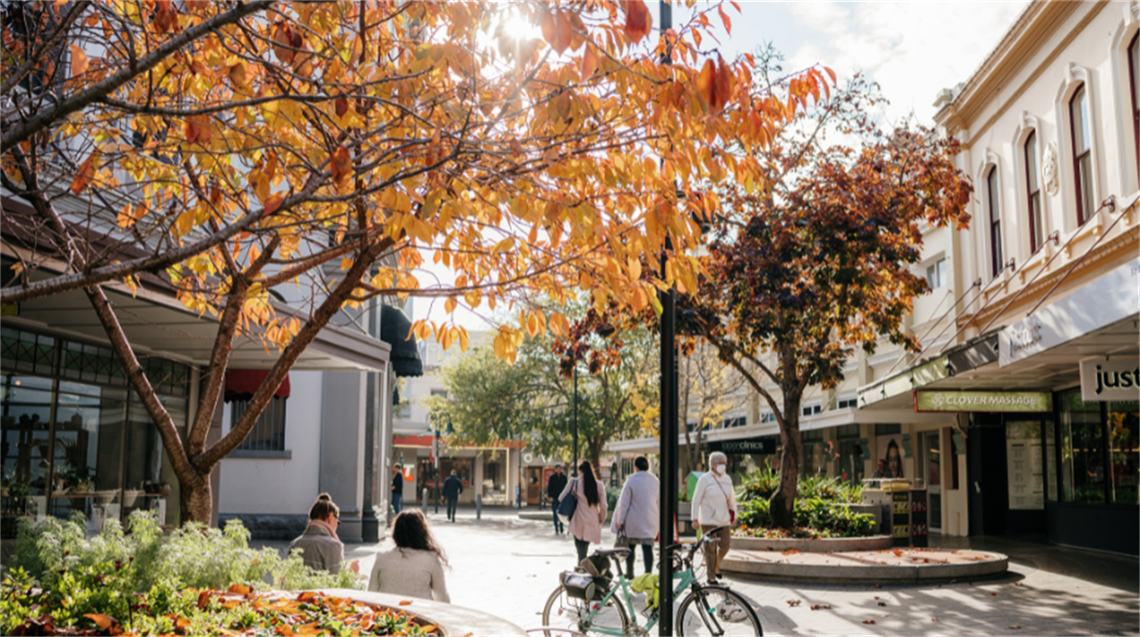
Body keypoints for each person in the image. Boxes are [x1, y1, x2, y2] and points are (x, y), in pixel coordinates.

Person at [368, 510, 450, 602]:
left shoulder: (381, 559)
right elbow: (443, 599)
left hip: (388, 614)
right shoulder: (431, 560)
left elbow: (371, 595)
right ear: (422, 532)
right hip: (419, 614)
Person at [690, 452, 737, 584]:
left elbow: (732, 499)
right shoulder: (704, 479)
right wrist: (695, 519)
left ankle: (717, 566)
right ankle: (711, 577)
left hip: (724, 520)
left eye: (724, 463)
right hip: (708, 520)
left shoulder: (727, 479)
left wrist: (735, 515)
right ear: (712, 465)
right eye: (720, 463)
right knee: (710, 549)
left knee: (726, 545)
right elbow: (696, 499)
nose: (723, 466)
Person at [288, 493, 360, 575]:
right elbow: (336, 582)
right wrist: (351, 572)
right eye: (337, 521)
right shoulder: (332, 545)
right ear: (330, 517)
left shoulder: (294, 544)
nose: (337, 525)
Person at [611, 456, 659, 578]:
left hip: (633, 522)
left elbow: (624, 503)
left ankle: (630, 573)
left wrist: (620, 520)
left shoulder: (631, 480)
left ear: (635, 468)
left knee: (630, 547)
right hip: (650, 520)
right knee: (648, 548)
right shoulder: (655, 481)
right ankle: (648, 575)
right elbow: (659, 502)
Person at [560, 460, 607, 565]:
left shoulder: (575, 483)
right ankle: (583, 568)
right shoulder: (599, 485)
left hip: (578, 522)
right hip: (592, 522)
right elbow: (603, 506)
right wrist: (601, 519)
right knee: (584, 549)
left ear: (580, 471)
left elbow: (561, 498)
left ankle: (582, 570)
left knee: (580, 551)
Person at [547, 463, 568, 534]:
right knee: (555, 513)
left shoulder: (564, 477)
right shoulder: (552, 477)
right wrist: (550, 497)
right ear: (555, 469)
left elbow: (566, 488)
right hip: (554, 498)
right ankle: (556, 527)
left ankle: (561, 526)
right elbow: (549, 488)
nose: (559, 470)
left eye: (560, 468)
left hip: (562, 498)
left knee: (561, 513)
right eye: (557, 468)